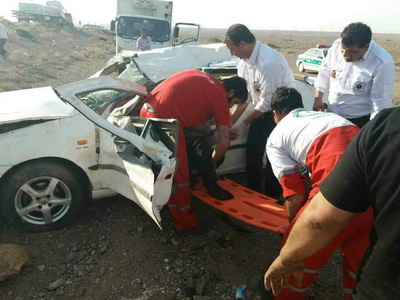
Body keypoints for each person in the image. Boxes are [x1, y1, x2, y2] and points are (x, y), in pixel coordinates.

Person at [264, 107, 400, 299]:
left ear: (276, 115)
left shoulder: (275, 138)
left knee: (297, 261)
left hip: (339, 194)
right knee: (359, 265)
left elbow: (295, 196)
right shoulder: (329, 117)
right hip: (378, 196)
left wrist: (294, 232)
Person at [140, 70, 248, 234]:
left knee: (162, 167)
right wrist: (209, 167)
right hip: (166, 120)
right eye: (234, 102)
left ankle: (165, 205)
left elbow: (190, 112)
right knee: (178, 173)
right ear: (231, 92)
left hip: (147, 111)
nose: (231, 107)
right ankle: (185, 225)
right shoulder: (220, 96)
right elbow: (224, 144)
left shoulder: (206, 78)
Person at [224, 24, 295, 198]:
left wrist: (242, 125)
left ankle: (273, 195)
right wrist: (229, 124)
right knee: (253, 149)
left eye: (232, 49)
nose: (231, 54)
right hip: (261, 110)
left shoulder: (268, 63)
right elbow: (245, 97)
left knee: (275, 155)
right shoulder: (243, 62)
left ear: (242, 44)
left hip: (281, 112)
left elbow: (268, 102)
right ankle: (253, 189)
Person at [313, 22, 395, 128]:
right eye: (343, 49)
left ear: (366, 47)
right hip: (332, 115)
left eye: (352, 52)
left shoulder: (382, 62)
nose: (345, 55)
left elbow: (380, 102)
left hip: (359, 122)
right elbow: (324, 73)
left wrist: (370, 131)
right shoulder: (336, 46)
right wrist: (318, 98)